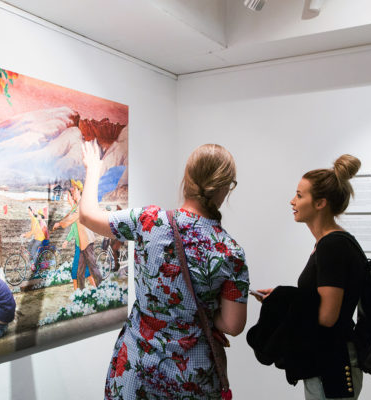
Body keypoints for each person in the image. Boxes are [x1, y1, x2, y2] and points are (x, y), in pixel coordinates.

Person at [78, 140, 249, 399]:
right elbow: (233, 324)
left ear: (187, 179)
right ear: (226, 187)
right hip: (190, 375)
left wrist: (93, 168)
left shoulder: (150, 222)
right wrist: (200, 311)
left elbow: (87, 215)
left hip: (137, 366)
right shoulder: (230, 252)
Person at [255, 154, 365, 399]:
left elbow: (327, 316)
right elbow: (317, 301)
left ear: (320, 203)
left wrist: (285, 301)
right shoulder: (329, 243)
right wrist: (281, 296)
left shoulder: (332, 246)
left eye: (299, 195)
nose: (292, 201)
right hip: (328, 358)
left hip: (333, 363)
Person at [54, 180, 102, 290]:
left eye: (74, 189)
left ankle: (101, 289)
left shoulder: (81, 206)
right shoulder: (77, 205)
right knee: (80, 272)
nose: (72, 191)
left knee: (92, 268)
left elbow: (70, 219)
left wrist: (59, 224)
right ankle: (80, 293)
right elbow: (70, 217)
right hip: (82, 243)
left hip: (87, 242)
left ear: (79, 191)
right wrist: (60, 223)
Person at [22, 206, 46, 270]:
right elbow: (32, 231)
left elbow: (32, 231)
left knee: (33, 250)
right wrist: (26, 235)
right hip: (36, 237)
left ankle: (35, 266)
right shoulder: (33, 219)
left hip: (40, 238)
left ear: (32, 212)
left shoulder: (34, 220)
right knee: (29, 245)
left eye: (29, 211)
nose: (28, 213)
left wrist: (25, 235)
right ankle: (31, 261)